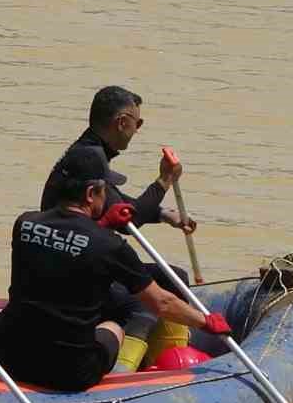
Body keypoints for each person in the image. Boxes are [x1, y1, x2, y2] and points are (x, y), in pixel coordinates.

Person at [0, 146, 231, 393]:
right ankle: (118, 385)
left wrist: (102, 224)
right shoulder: (109, 246)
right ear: (91, 193)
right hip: (70, 373)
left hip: (10, 361)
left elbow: (62, 252)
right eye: (105, 190)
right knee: (113, 327)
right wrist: (206, 322)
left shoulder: (25, 223)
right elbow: (162, 303)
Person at [39, 85, 200, 370]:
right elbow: (129, 221)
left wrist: (164, 214)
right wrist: (164, 180)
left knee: (175, 277)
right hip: (79, 267)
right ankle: (124, 374)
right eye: (138, 123)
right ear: (122, 121)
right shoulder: (92, 161)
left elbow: (117, 203)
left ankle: (166, 363)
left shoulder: (85, 153)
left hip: (76, 257)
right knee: (141, 304)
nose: (138, 130)